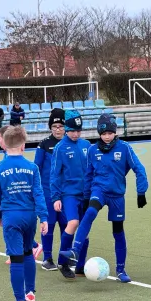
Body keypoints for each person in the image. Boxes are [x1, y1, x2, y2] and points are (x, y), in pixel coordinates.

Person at [59, 113, 148, 283]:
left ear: (115, 132)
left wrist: (141, 192)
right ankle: (75, 251)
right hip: (98, 190)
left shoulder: (124, 148)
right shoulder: (93, 150)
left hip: (116, 196)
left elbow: (139, 169)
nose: (107, 136)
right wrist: (86, 197)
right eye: (103, 133)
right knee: (90, 212)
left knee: (118, 231)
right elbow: (88, 175)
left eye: (110, 133)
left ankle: (121, 270)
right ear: (99, 133)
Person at [0, 125, 48, 301]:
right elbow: (38, 193)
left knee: (15, 258)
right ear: (23, 146)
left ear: (4, 144)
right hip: (30, 216)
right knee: (27, 253)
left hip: (11, 216)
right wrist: (44, 217)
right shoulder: (32, 168)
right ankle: (30, 292)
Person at [0, 125, 43, 265]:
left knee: (16, 230)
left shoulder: (5, 163)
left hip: (14, 209)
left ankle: (32, 247)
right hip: (23, 211)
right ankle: (29, 285)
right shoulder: (4, 162)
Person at [50, 109, 91, 280]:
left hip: (85, 195)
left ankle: (80, 266)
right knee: (73, 222)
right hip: (69, 195)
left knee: (84, 231)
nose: (76, 134)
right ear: (66, 129)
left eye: (78, 131)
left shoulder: (86, 145)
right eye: (73, 130)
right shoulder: (60, 148)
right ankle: (62, 261)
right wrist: (56, 197)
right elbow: (54, 174)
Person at [34, 108, 67, 271]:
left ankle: (64, 257)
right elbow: (36, 169)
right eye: (55, 127)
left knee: (66, 224)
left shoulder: (70, 143)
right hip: (48, 193)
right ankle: (47, 258)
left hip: (67, 192)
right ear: (50, 128)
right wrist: (36, 192)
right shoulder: (44, 145)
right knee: (50, 224)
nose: (58, 130)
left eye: (61, 126)